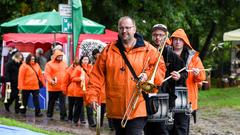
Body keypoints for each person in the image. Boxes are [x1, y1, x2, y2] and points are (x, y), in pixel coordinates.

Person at [86, 16, 166, 135]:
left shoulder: (149, 49)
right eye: (121, 28)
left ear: (134, 29)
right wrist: (92, 97)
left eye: (128, 28)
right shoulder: (108, 51)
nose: (124, 31)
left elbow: (160, 69)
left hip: (138, 105)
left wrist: (147, 76)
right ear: (118, 29)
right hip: (116, 107)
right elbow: (96, 76)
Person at [144, 24, 188, 135]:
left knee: (162, 128)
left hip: (165, 96)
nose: (157, 38)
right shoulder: (146, 51)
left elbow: (184, 73)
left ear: (166, 36)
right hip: (148, 94)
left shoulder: (171, 54)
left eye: (160, 35)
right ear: (152, 36)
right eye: (155, 35)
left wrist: (179, 76)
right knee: (148, 127)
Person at [170, 28, 206, 135]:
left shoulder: (193, 58)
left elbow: (202, 77)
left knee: (182, 128)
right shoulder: (165, 54)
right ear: (171, 40)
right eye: (175, 39)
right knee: (168, 128)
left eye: (180, 40)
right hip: (169, 96)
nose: (177, 42)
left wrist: (197, 73)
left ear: (184, 41)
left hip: (186, 98)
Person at [44, 50, 68, 121]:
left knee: (62, 102)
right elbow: (47, 74)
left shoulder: (64, 64)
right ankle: (49, 114)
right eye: (59, 56)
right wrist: (51, 81)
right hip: (53, 87)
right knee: (51, 102)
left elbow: (67, 73)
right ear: (55, 56)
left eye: (61, 56)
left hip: (62, 87)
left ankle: (63, 116)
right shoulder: (49, 64)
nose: (60, 58)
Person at [79, 55, 96, 127]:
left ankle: (91, 122)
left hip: (89, 89)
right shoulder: (79, 68)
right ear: (81, 60)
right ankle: (82, 119)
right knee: (80, 106)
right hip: (80, 89)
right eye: (84, 59)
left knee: (89, 106)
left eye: (87, 59)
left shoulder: (91, 67)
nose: (86, 61)